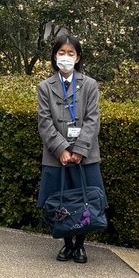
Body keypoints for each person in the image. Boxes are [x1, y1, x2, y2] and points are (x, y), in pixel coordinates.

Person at [36, 32, 104, 263]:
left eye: (70, 53)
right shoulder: (45, 87)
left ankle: (81, 245)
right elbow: (44, 122)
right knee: (60, 199)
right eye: (61, 53)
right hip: (57, 157)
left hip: (86, 155)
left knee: (85, 199)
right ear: (54, 57)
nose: (65, 57)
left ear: (78, 57)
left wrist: (79, 151)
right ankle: (66, 243)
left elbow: (93, 120)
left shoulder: (90, 85)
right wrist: (62, 149)